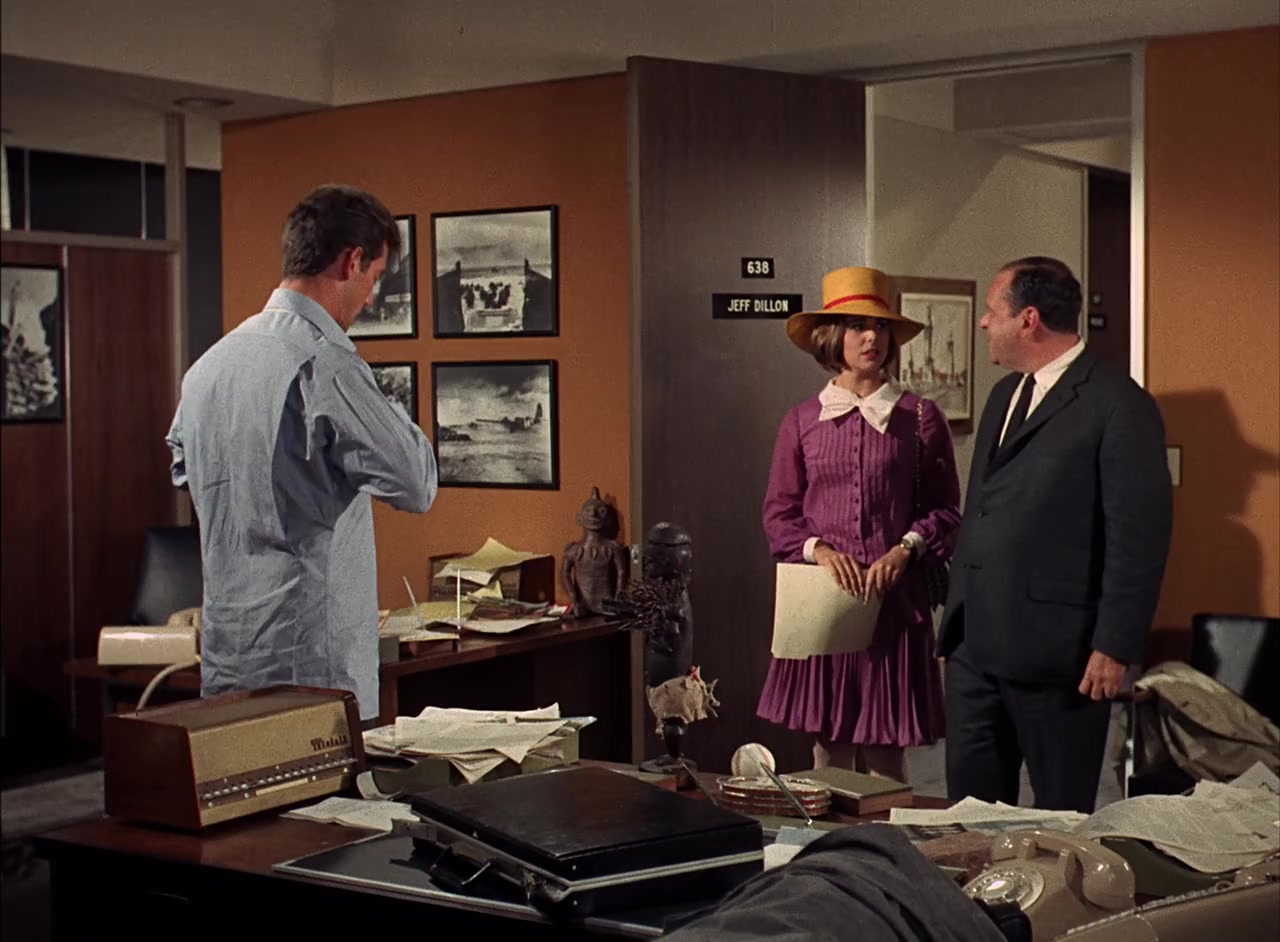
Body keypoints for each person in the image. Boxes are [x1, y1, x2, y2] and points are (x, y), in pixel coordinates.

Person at [166, 184, 438, 724]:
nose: (370, 299)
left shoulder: (207, 369)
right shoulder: (325, 365)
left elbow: (185, 472)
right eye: (374, 278)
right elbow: (416, 484)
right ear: (352, 261)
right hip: (313, 670)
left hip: (229, 661)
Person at [938, 256, 1172, 813]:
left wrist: (1113, 646)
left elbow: (1137, 539)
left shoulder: (1118, 405)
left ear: (1029, 319)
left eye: (992, 311)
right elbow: (983, 510)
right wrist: (955, 623)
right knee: (968, 818)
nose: (983, 322)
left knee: (1060, 821)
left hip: (1059, 657)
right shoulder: (1003, 396)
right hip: (976, 649)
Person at [758, 266, 961, 781]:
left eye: (880, 327)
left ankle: (886, 836)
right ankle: (831, 837)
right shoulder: (801, 421)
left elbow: (946, 511)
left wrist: (904, 549)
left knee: (887, 754)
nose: (872, 337)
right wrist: (821, 551)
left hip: (894, 605)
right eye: (857, 326)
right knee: (829, 752)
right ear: (833, 336)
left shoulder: (920, 417)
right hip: (825, 605)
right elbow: (779, 515)